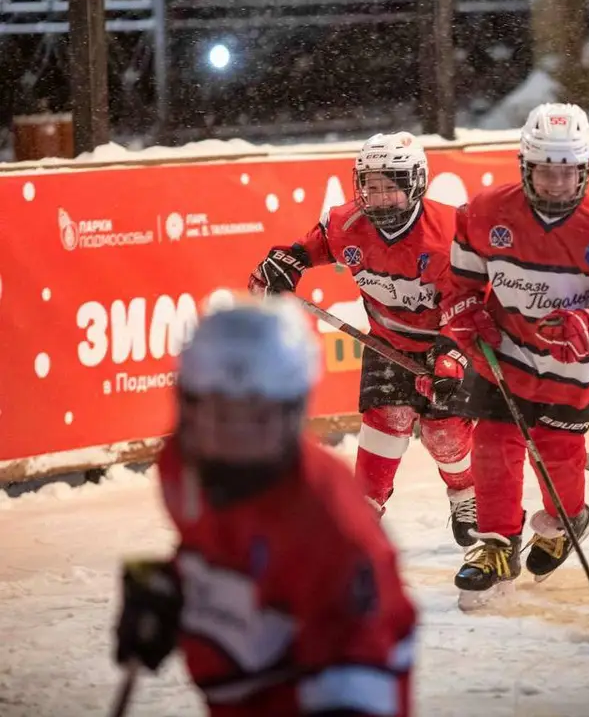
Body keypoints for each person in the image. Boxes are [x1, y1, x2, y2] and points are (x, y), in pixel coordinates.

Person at [113, 297, 417, 716]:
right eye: (217, 411)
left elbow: (363, 658)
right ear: (185, 404)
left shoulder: (332, 525)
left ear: (294, 413)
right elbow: (233, 547)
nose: (232, 435)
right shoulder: (179, 467)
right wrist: (180, 585)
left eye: (256, 415)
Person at [427, 102, 589, 608]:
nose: (554, 184)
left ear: (585, 170)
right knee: (493, 446)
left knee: (554, 454)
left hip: (575, 367)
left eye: (567, 173)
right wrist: (464, 313)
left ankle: (567, 521)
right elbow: (460, 281)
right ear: (525, 166)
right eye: (545, 171)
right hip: (504, 353)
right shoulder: (483, 213)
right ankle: (496, 545)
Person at [250, 131, 478, 546]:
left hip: (451, 339)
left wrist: (452, 358)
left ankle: (466, 492)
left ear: (416, 184)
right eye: (371, 187)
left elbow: (470, 307)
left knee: (444, 433)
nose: (379, 198)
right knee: (384, 420)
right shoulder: (348, 222)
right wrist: (287, 263)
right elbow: (316, 244)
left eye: (390, 188)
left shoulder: (449, 234)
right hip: (389, 343)